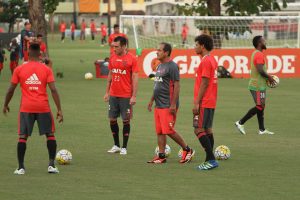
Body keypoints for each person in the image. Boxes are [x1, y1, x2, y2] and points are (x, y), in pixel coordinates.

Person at [2, 43, 63, 175]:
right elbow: (53, 90)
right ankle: (51, 165)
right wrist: (59, 109)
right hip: (43, 107)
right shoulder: (46, 69)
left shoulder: (19, 69)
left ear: (28, 53)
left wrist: (5, 104)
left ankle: (20, 167)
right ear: (40, 54)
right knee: (50, 135)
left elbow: (10, 90)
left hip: (26, 107)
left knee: (22, 137)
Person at [147, 42, 195, 164]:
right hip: (158, 104)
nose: (157, 52)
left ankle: (187, 149)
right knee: (159, 131)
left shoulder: (172, 66)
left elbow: (177, 85)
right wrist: (151, 100)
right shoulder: (159, 66)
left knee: (168, 130)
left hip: (168, 104)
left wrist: (173, 104)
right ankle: (161, 156)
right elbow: (157, 84)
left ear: (166, 52)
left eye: (159, 50)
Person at [103, 36, 138, 155]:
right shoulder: (112, 57)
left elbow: (135, 78)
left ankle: (124, 147)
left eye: (116, 46)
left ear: (124, 46)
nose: (114, 49)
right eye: (113, 46)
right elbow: (110, 75)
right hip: (113, 94)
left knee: (125, 120)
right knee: (112, 119)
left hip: (125, 95)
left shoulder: (132, 59)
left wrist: (134, 96)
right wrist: (107, 92)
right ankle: (116, 145)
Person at [235, 36, 276, 135]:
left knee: (261, 106)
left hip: (259, 84)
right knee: (260, 106)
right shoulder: (258, 55)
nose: (265, 42)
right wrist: (270, 78)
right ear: (259, 43)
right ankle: (240, 122)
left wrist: (267, 79)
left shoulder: (257, 54)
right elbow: (260, 70)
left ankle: (261, 129)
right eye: (263, 40)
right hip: (257, 85)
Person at [193, 34, 219, 170]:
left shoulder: (206, 61)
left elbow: (204, 83)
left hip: (204, 100)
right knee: (207, 129)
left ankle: (211, 159)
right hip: (211, 100)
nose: (194, 47)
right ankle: (209, 158)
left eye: (196, 44)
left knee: (198, 129)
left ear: (202, 46)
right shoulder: (212, 59)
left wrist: (197, 102)